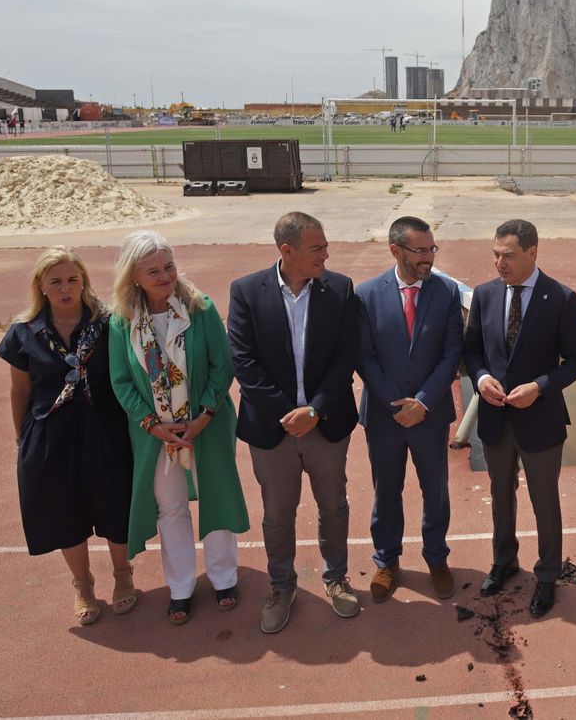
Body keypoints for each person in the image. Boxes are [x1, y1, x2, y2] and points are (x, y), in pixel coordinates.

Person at [227, 212, 361, 633]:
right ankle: (282, 586)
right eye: (317, 247)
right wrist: (288, 414)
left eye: (325, 245)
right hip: (272, 428)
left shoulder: (339, 288)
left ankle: (336, 578)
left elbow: (346, 356)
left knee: (334, 506)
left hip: (327, 422)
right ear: (288, 251)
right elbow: (244, 362)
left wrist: (315, 410)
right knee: (277, 515)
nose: (326, 253)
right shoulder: (247, 291)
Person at [108, 230, 249, 625]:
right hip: (156, 434)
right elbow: (120, 380)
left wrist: (203, 417)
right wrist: (153, 426)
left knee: (215, 496)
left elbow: (223, 368)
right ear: (133, 275)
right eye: (153, 270)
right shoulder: (122, 321)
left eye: (168, 266)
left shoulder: (199, 308)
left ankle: (224, 579)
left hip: (207, 424)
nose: (165, 276)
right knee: (170, 509)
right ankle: (181, 588)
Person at [0, 247, 136, 626]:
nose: (65, 289)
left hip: (105, 429)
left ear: (84, 282)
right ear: (40, 285)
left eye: (73, 279)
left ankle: (123, 575)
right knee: (63, 508)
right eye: (55, 281)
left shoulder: (110, 324)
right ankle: (83, 585)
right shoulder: (24, 332)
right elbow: (19, 390)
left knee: (114, 502)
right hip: (50, 433)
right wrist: (23, 438)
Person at [464, 218, 576, 618]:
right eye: (496, 254)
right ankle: (504, 560)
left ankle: (548, 573)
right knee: (501, 496)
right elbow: (473, 352)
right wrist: (481, 378)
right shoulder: (483, 295)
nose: (500, 263)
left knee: (544, 501)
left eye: (509, 255)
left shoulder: (561, 297)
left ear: (533, 253)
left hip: (541, 419)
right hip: (496, 419)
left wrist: (539, 386)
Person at [356, 216, 464, 603]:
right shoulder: (365, 294)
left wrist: (423, 402)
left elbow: (452, 353)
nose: (428, 258)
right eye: (420, 250)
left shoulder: (447, 292)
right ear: (395, 251)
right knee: (387, 490)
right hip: (384, 417)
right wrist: (395, 403)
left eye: (432, 249)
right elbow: (365, 356)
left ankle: (436, 557)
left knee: (435, 490)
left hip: (430, 415)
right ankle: (387, 560)